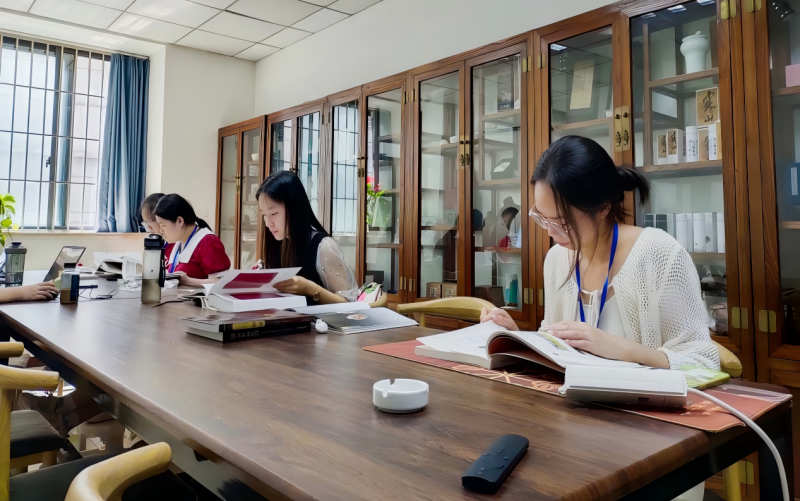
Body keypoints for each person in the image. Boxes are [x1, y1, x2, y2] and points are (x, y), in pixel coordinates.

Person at [481, 135, 720, 371]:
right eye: (542, 219)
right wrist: (516, 336)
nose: (550, 233)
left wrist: (622, 349)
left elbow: (703, 363)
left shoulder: (660, 254)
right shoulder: (557, 259)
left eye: (562, 222)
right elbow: (556, 345)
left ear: (604, 207)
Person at [257, 171, 358, 304]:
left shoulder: (323, 246)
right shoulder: (278, 243)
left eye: (274, 213)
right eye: (264, 215)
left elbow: (349, 303)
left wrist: (310, 289)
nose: (268, 223)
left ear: (295, 209)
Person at [153, 194, 231, 287]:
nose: (161, 231)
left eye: (163, 225)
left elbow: (223, 283)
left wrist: (188, 281)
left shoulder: (207, 241)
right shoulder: (178, 242)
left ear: (180, 221)